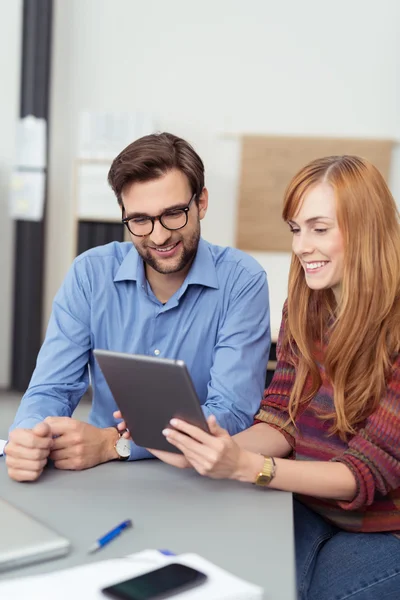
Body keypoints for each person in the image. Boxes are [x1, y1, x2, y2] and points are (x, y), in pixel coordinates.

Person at [141, 155, 400, 599]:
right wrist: (211, 449)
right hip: (302, 502)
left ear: (367, 229)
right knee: (225, 573)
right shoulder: (305, 305)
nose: (301, 246)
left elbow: (364, 473)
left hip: (383, 527)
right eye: (296, 229)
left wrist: (248, 467)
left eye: (319, 229)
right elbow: (282, 419)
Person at [6, 132, 270, 483]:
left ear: (201, 203)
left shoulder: (242, 280)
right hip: (102, 475)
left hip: (202, 478)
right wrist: (29, 436)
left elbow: (232, 411)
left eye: (174, 214)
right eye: (140, 220)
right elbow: (52, 388)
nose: (159, 236)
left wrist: (116, 444)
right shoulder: (90, 273)